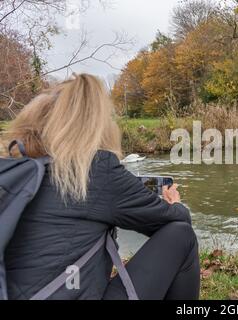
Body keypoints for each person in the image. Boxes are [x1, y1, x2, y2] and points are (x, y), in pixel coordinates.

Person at [5, 73, 200, 300]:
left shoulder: (16, 170)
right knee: (181, 234)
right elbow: (172, 219)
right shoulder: (94, 169)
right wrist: (175, 204)